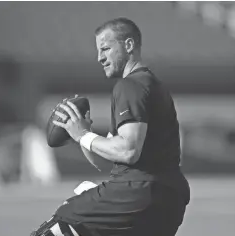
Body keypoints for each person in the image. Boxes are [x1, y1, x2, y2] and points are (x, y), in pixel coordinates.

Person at [31, 17, 190, 236]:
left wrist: (83, 135)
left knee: (58, 222)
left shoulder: (130, 86)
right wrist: (84, 134)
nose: (99, 58)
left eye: (105, 49)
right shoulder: (152, 85)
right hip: (167, 201)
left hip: (136, 195)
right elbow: (108, 158)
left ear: (129, 45)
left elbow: (128, 151)